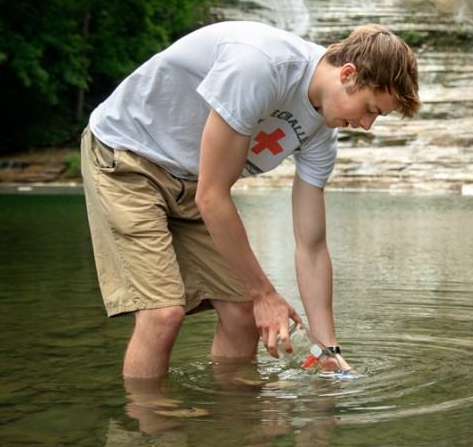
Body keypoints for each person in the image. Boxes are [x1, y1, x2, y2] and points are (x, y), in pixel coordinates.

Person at [81, 21, 420, 379]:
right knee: (163, 315)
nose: (367, 125)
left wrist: (326, 349)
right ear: (348, 74)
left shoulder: (323, 132)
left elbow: (312, 246)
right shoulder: (260, 66)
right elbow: (212, 196)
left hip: (192, 181)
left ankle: (233, 426)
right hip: (127, 158)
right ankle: (149, 429)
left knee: (243, 314)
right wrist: (266, 294)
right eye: (370, 109)